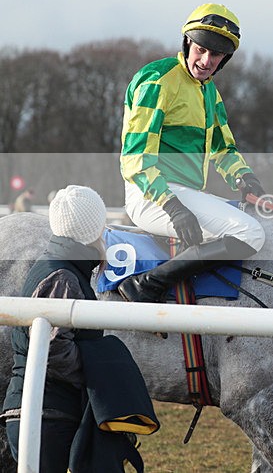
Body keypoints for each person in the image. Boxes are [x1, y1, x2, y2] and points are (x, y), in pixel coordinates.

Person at [118, 3, 266, 304]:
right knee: (251, 234)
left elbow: (223, 148)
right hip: (151, 196)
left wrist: (244, 177)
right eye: (200, 49)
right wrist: (172, 206)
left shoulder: (210, 91)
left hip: (184, 193)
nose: (206, 60)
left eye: (216, 55)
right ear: (187, 43)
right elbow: (135, 158)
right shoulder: (157, 80)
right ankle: (146, 284)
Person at [2, 186, 154, 472]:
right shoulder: (63, 277)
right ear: (91, 228)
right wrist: (103, 370)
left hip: (44, 412)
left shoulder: (60, 266)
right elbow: (55, 352)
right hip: (45, 417)